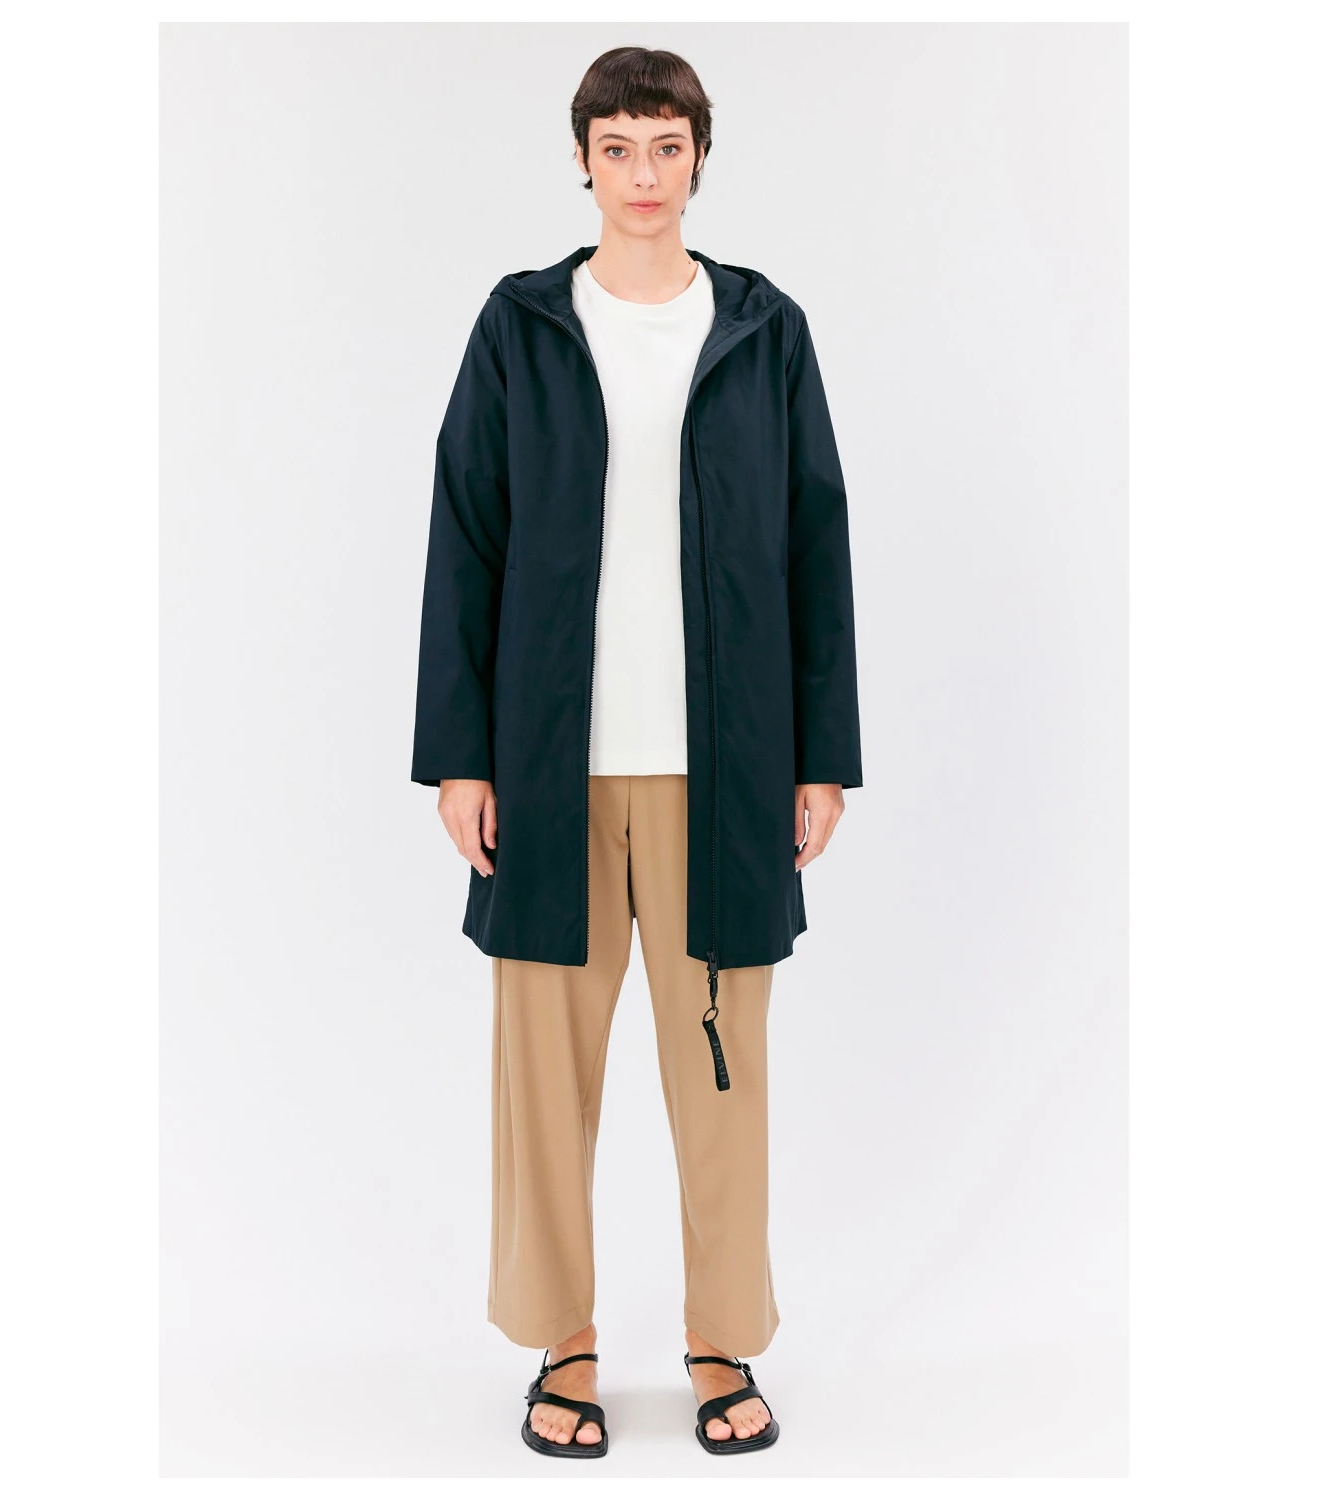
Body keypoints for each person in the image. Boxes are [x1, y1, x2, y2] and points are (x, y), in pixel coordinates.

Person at [410, 46, 862, 1459]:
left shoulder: (765, 329)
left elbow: (816, 541)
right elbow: (466, 534)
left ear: (700, 156)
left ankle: (723, 1339)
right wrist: (461, 756)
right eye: (618, 148)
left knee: (722, 1075)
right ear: (584, 161)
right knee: (545, 1081)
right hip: (549, 767)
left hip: (725, 771)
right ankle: (566, 1342)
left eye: (667, 146)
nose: (644, 174)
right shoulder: (522, 325)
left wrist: (822, 755)